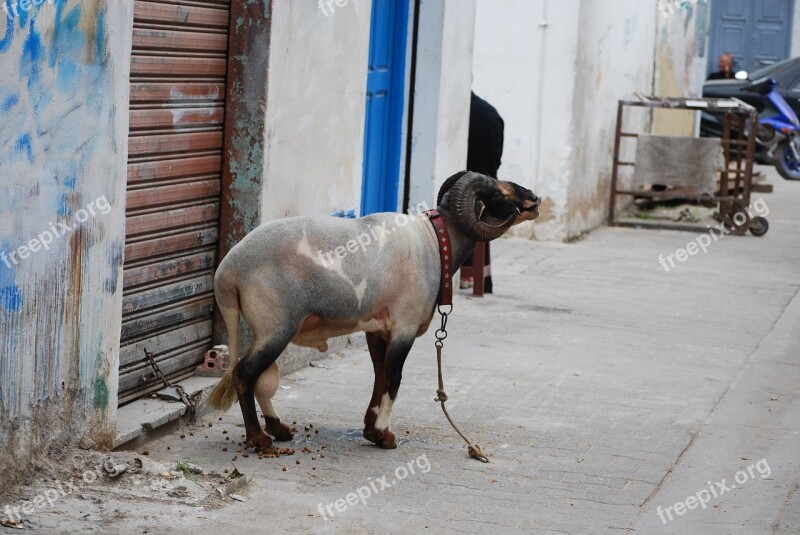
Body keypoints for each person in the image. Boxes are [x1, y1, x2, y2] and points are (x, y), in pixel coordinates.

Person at [461, 91, 504, 289]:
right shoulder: (491, 113)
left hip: (461, 190)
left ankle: (463, 272)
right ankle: (472, 275)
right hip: (487, 188)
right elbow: (497, 157)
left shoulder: (458, 111)